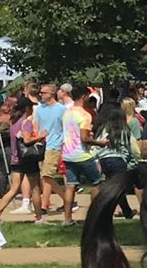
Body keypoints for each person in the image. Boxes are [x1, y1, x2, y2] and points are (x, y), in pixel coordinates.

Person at [60, 92, 106, 224]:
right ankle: (95, 217)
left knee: (70, 186)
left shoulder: (67, 113)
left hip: (68, 154)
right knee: (96, 183)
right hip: (83, 155)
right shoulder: (85, 115)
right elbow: (84, 138)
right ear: (84, 96)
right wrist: (100, 143)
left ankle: (67, 219)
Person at [33, 83, 70, 218]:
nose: (41, 94)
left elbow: (66, 127)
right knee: (45, 175)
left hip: (55, 144)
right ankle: (66, 199)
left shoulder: (62, 109)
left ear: (51, 94)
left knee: (47, 175)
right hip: (41, 145)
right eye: (40, 92)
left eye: (43, 92)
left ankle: (49, 204)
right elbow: (36, 125)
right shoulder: (39, 109)